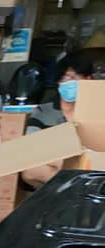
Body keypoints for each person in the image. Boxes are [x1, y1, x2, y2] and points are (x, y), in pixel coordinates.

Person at [21, 52, 95, 189]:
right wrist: (64, 161)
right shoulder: (43, 111)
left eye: (76, 77)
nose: (70, 82)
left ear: (88, 80)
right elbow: (31, 146)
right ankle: (72, 189)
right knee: (31, 170)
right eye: (65, 77)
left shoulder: (96, 111)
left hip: (89, 169)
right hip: (58, 169)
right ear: (58, 82)